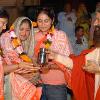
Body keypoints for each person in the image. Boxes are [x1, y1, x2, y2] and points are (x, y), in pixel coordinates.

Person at [53, 9, 100, 100]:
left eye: (98, 19)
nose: (94, 24)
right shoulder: (96, 51)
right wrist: (55, 56)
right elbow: (77, 63)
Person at [34, 7, 73, 100]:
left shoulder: (60, 35)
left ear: (53, 20)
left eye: (46, 21)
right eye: (40, 21)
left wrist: (50, 66)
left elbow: (69, 62)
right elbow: (32, 57)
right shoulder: (35, 36)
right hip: (38, 83)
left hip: (57, 85)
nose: (43, 24)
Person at [0, 16, 42, 99]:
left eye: (27, 30)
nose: (24, 33)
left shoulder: (25, 42)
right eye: (21, 29)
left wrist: (34, 73)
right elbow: (6, 66)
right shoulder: (7, 39)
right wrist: (26, 75)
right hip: (7, 82)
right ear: (16, 28)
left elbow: (27, 61)